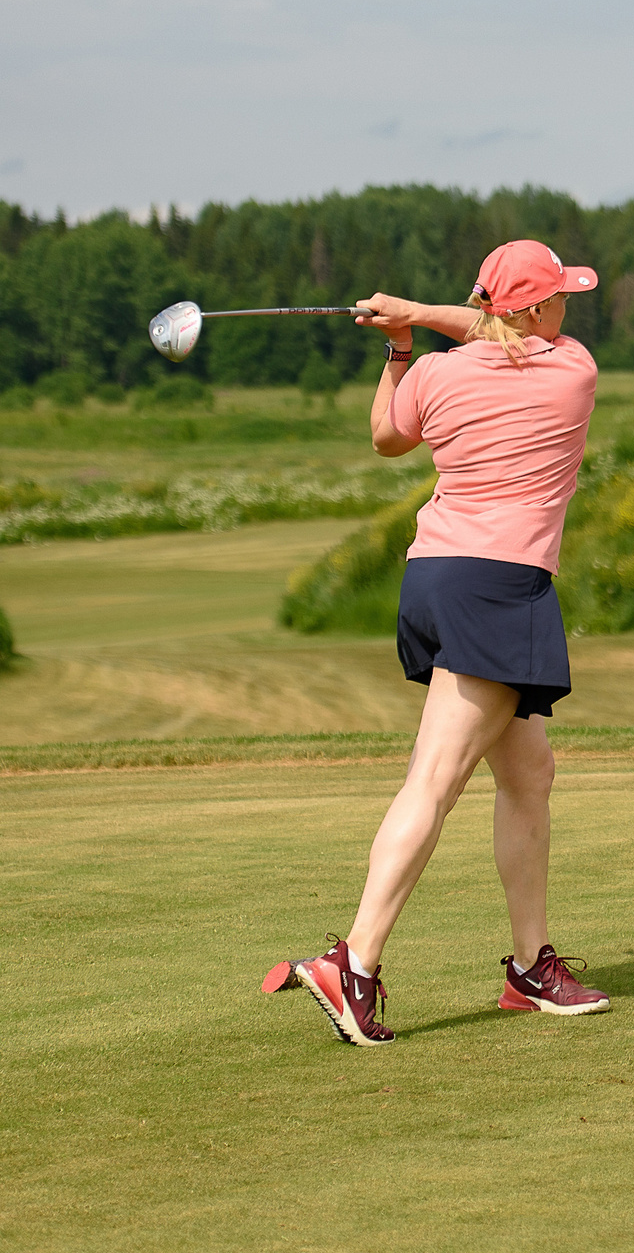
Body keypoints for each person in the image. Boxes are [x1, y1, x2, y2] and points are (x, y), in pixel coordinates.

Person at [261, 239, 612, 1045]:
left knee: (529, 769)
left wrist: (400, 343)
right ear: (529, 310)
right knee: (436, 779)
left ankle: (531, 969)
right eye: (558, 295)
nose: (568, 307)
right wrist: (418, 314)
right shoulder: (573, 370)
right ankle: (352, 963)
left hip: (434, 577)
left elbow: (388, 437)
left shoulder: (433, 374)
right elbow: (506, 334)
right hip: (498, 586)